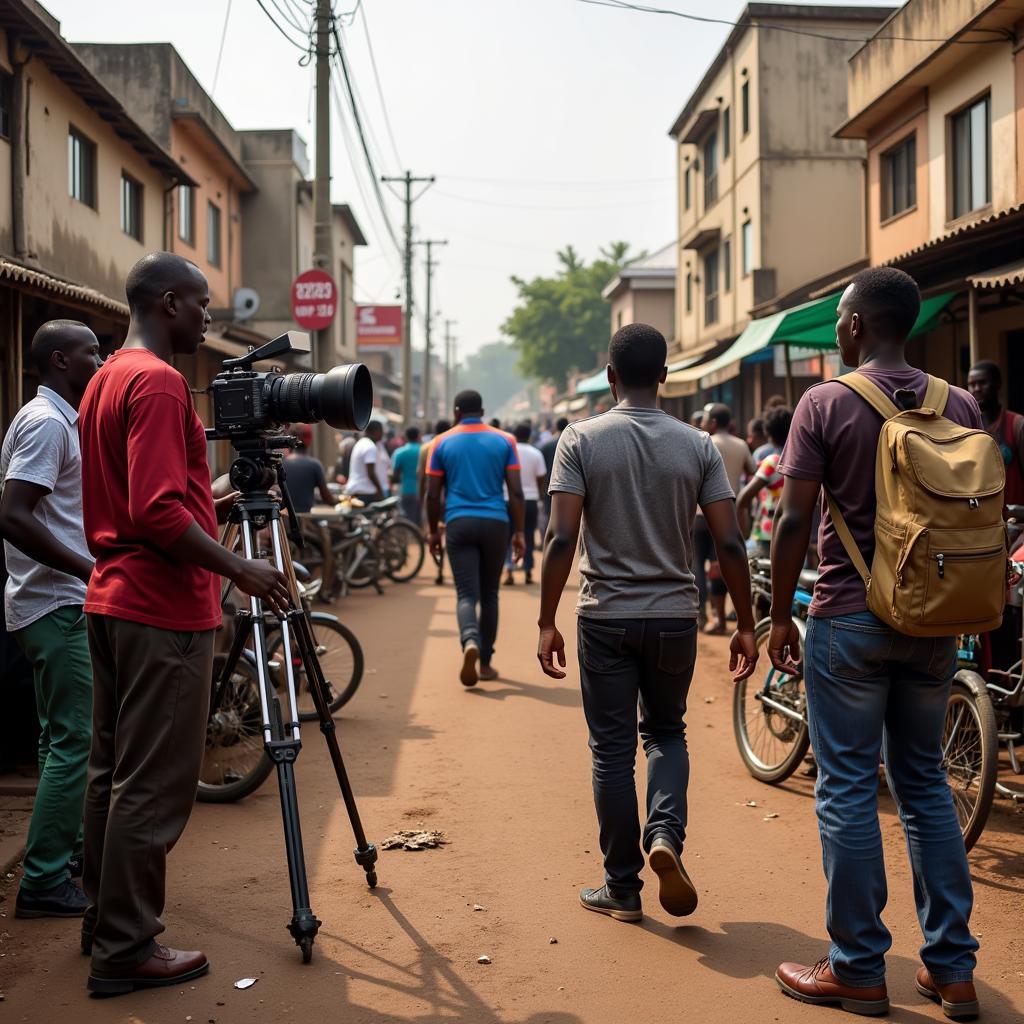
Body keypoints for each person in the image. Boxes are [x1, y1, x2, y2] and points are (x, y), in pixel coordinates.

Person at [769, 267, 983, 1017]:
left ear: (856, 325)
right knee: (924, 787)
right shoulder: (958, 400)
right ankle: (951, 969)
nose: (837, 326)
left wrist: (773, 616)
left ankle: (858, 967)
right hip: (934, 623)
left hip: (850, 617)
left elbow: (794, 521)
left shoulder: (825, 402)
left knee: (850, 788)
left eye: (839, 317)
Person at [77, 251, 290, 996]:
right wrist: (244, 569)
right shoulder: (161, 383)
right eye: (201, 305)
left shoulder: (106, 378)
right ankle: (128, 947)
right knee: (155, 787)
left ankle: (102, 924)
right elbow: (159, 510)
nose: (209, 318)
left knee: (111, 775)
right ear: (169, 303)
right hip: (161, 607)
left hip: (111, 597)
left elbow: (147, 501)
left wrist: (220, 503)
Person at [537, 322, 757, 924]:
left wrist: (545, 620)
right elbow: (730, 543)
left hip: (604, 616)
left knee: (611, 753)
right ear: (665, 375)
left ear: (610, 377)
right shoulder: (699, 445)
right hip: (675, 619)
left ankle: (623, 888)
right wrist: (746, 622)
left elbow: (561, 537)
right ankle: (665, 836)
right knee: (665, 733)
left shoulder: (579, 439)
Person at [0, 321, 102, 919]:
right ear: (61, 360)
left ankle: (62, 858)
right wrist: (86, 570)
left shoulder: (60, 420)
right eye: (91, 350)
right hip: (56, 603)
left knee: (56, 739)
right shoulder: (45, 424)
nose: (101, 357)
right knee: (75, 742)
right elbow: (13, 514)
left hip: (49, 601)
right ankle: (42, 881)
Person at [426, 391, 524, 686]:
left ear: (457, 412)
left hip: (458, 522)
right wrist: (520, 531)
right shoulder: (506, 441)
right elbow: (516, 492)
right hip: (496, 522)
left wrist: (433, 531)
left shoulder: (440, 442)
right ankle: (485, 663)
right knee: (490, 593)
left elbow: (433, 494)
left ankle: (470, 640)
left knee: (466, 594)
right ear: (481, 410)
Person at [695, 403, 755, 634]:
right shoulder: (741, 445)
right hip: (729, 513)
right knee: (719, 564)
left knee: (697, 564)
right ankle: (722, 614)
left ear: (712, 422)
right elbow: (752, 471)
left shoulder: (704, 442)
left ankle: (701, 613)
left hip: (701, 514)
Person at [736, 406, 792, 557]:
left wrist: (743, 535)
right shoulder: (800, 460)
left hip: (768, 533)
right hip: (795, 532)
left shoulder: (773, 462)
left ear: (767, 432)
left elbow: (742, 499)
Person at [967, 360, 1024, 506]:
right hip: (982, 519)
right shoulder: (966, 428)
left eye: (982, 383)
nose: (976, 389)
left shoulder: (1017, 424)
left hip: (1015, 519)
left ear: (998, 384)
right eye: (972, 384)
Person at [503, 422, 547, 586]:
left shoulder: (508, 452)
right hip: (530, 500)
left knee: (508, 536)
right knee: (527, 534)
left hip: (507, 499)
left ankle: (509, 569)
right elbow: (541, 477)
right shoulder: (535, 453)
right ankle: (528, 570)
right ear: (529, 435)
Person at [420, 419, 452, 584]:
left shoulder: (426, 448)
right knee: (447, 535)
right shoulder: (452, 444)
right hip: (448, 499)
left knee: (434, 534)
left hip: (433, 499)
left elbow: (421, 476)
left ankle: (439, 567)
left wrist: (422, 498)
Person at [282, 425, 333, 514]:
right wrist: (338, 503)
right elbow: (326, 497)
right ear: (309, 441)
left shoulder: (282, 464)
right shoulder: (314, 465)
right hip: (306, 519)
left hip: (285, 519)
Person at [538, 416, 569, 538]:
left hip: (550, 484)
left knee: (548, 513)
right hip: (572, 484)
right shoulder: (573, 441)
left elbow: (542, 469)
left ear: (556, 427)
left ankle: (548, 538)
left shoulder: (547, 445)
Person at [344, 421, 386, 506]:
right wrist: (380, 490)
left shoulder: (361, 443)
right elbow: (371, 472)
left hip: (356, 490)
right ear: (376, 431)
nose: (382, 435)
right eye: (382, 432)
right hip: (365, 493)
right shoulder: (370, 446)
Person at [391, 426, 423, 524]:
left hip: (405, 490)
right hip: (421, 490)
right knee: (419, 520)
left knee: (407, 521)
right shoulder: (424, 451)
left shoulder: (399, 452)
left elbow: (395, 475)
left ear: (406, 437)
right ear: (418, 436)